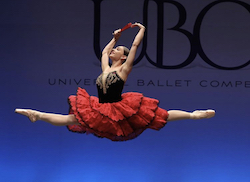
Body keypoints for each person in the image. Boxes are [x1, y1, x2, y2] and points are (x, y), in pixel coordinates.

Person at [15, 22, 215, 141]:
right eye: (115, 49)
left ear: (123, 57)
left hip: (119, 108)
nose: (113, 51)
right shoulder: (106, 68)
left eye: (117, 50)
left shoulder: (124, 68)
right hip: (100, 107)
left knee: (158, 115)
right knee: (71, 120)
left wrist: (141, 30)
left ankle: (193, 115)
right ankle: (36, 114)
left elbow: (135, 45)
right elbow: (103, 52)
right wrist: (116, 38)